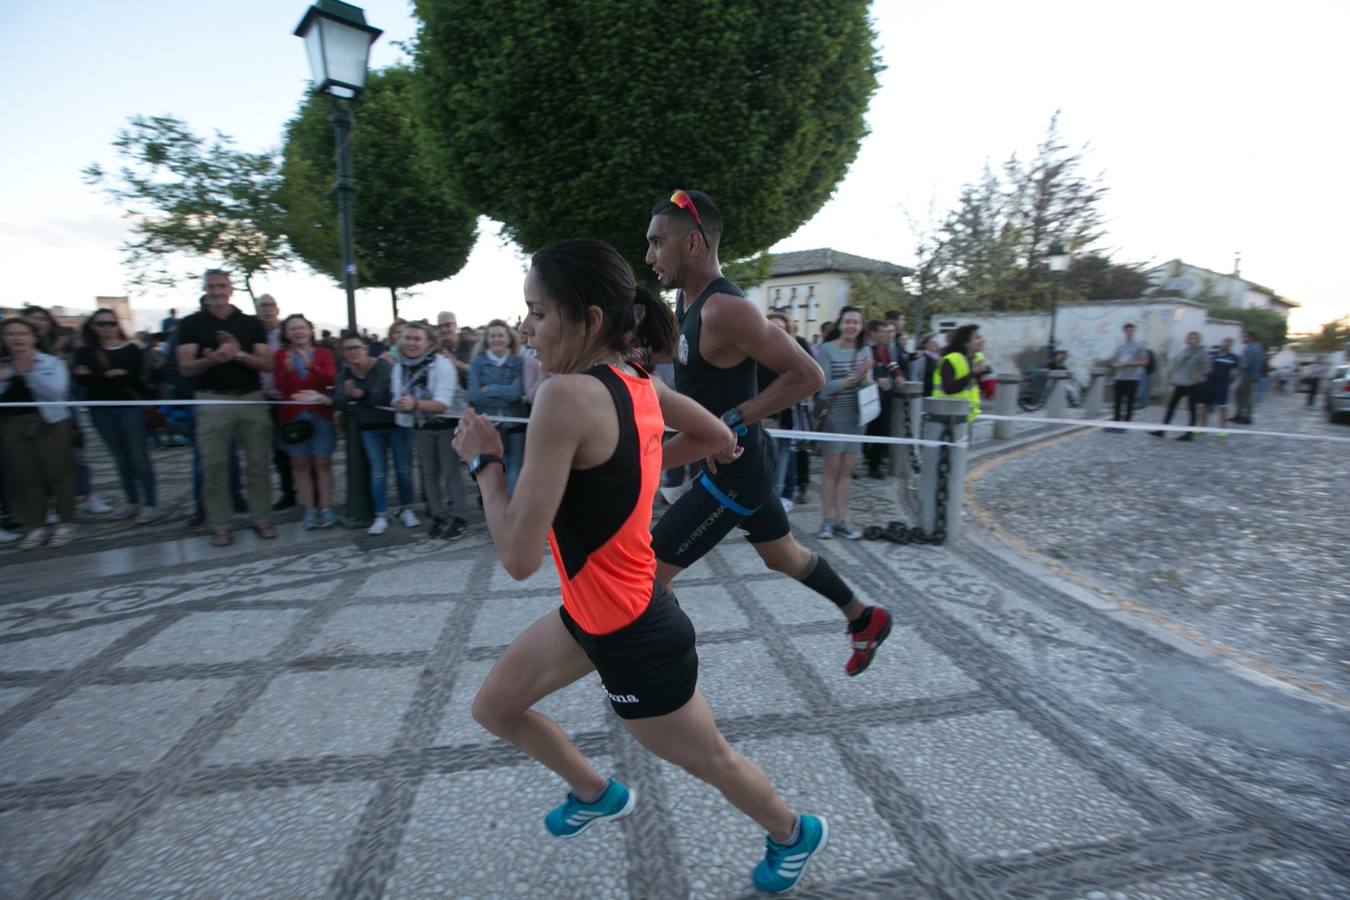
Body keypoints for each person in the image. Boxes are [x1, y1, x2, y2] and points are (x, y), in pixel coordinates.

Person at [455, 238, 827, 893]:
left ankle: (794, 833)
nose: (525, 329)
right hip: (595, 613)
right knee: (497, 707)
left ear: (589, 319)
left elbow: (517, 556)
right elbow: (718, 435)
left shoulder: (564, 397)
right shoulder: (637, 383)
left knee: (712, 761)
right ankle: (594, 791)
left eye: (538, 313)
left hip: (634, 635)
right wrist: (638, 465)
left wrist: (485, 463)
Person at [644, 188, 892, 676]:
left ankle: (666, 687)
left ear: (693, 243)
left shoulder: (726, 309)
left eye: (657, 243)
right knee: (783, 556)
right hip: (733, 460)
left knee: (647, 577)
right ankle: (864, 617)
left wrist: (732, 420)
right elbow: (695, 365)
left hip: (734, 472)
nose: (649, 255)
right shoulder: (685, 300)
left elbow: (809, 376)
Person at [175, 269, 277, 546]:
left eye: (222, 286)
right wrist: (214, 360)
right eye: (212, 286)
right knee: (214, 464)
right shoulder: (191, 323)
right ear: (205, 288)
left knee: (258, 462)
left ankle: (262, 517)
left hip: (251, 397)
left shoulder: (250, 323)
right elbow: (185, 367)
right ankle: (220, 524)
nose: (217, 291)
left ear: (231, 289)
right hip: (211, 398)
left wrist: (239, 354)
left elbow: (267, 363)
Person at [72, 310, 158, 523]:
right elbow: (81, 381)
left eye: (110, 323)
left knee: (139, 458)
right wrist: (108, 375)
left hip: (129, 407)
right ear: (93, 326)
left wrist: (95, 376)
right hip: (100, 410)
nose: (106, 327)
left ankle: (150, 503)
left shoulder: (132, 350)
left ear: (117, 325)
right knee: (120, 459)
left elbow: (135, 377)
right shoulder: (85, 352)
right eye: (101, 324)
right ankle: (131, 501)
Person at [1, 317, 77, 550]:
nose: (17, 338)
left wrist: (29, 373)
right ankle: (37, 526)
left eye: (22, 333)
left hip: (49, 423)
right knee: (26, 477)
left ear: (34, 337)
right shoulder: (3, 365)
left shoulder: (51, 363)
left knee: (59, 474)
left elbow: (56, 393)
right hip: (12, 425)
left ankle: (65, 523)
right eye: (11, 334)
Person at [333, 332, 416, 535]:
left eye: (356, 348)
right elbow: (338, 400)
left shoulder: (382, 365)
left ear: (365, 349)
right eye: (347, 349)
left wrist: (358, 394)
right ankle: (380, 514)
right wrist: (355, 396)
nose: (352, 352)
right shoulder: (345, 371)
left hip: (395, 425)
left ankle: (407, 509)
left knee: (403, 469)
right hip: (369, 428)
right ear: (343, 353)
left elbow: (382, 394)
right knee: (378, 471)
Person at [392, 321, 467, 540]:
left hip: (446, 424)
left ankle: (459, 518)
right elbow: (397, 396)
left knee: (451, 472)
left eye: (417, 339)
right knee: (429, 474)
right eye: (407, 338)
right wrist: (400, 404)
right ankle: (438, 516)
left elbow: (442, 403)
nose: (411, 343)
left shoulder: (441, 364)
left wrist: (413, 404)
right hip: (421, 425)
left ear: (427, 342)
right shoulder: (400, 367)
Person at [273, 314, 338, 529]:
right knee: (300, 465)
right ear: (286, 334)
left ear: (310, 330)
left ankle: (326, 508)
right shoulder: (281, 355)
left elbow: (330, 379)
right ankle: (309, 510)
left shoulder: (324, 353)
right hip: (293, 417)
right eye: (293, 329)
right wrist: (289, 371)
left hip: (320, 414)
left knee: (323, 463)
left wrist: (311, 367)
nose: (298, 332)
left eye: (302, 327)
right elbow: (282, 388)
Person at [812, 307, 872, 538]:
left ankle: (842, 520)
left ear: (861, 326)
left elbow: (868, 386)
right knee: (831, 471)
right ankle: (826, 520)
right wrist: (855, 377)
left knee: (847, 472)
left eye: (856, 322)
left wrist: (866, 379)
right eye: (848, 321)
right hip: (833, 418)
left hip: (857, 419)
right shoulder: (826, 350)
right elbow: (823, 387)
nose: (851, 326)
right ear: (840, 324)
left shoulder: (864, 350)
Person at [468, 319, 528, 492]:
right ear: (486, 339)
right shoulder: (477, 363)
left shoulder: (518, 362)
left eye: (501, 335)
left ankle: (511, 510)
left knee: (514, 468)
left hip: (515, 422)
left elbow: (517, 392)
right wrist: (505, 393)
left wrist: (490, 389)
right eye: (492, 336)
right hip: (488, 424)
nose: (497, 339)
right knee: (492, 468)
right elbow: (474, 395)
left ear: (509, 338)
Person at [1150, 331, 1211, 442]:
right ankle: (1162, 429)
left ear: (1198, 340)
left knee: (1191, 408)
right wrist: (1174, 378)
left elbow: (1208, 367)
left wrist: (1200, 376)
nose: (1192, 340)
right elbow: (1178, 365)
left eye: (1194, 338)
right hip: (1181, 383)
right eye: (1190, 338)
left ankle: (1189, 433)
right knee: (1171, 406)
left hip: (1194, 384)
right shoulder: (1184, 351)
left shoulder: (1202, 353)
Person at [864, 319, 900, 480]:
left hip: (885, 395)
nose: (886, 334)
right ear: (873, 333)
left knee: (881, 429)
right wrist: (878, 380)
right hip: (871, 394)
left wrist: (899, 377)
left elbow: (892, 366)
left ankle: (875, 461)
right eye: (882, 331)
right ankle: (872, 461)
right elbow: (866, 370)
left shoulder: (885, 350)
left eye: (887, 331)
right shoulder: (868, 350)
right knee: (872, 429)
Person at [931, 324, 988, 423]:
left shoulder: (977, 358)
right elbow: (949, 388)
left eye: (981, 337)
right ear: (966, 343)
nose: (982, 340)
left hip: (965, 416)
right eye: (977, 338)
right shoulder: (951, 359)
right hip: (947, 415)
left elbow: (973, 386)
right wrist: (973, 373)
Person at [1108, 323, 1147, 430]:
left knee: (1130, 402)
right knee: (1117, 402)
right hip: (1120, 377)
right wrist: (1116, 365)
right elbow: (1113, 362)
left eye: (1131, 331)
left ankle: (1126, 424)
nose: (1129, 333)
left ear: (1133, 332)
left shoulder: (1138, 346)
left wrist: (1130, 363)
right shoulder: (1120, 347)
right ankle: (1115, 423)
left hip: (1132, 378)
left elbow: (1144, 361)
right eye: (1127, 331)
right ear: (1124, 332)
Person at [1199, 337, 1239, 435]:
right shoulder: (1212, 351)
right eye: (1225, 342)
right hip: (1208, 382)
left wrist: (1235, 383)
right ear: (1221, 342)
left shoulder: (1233, 357)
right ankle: (1202, 427)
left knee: (1223, 406)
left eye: (1229, 343)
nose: (1227, 344)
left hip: (1222, 385)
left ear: (1231, 346)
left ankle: (1222, 429)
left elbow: (1237, 371)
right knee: (1204, 405)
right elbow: (1202, 359)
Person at [436, 311, 474, 388]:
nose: (443, 329)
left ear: (456, 326)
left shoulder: (470, 345)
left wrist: (456, 363)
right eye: (440, 326)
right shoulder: (438, 347)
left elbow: (478, 370)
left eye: (447, 325)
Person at [1233, 330, 1264, 424]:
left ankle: (1246, 416)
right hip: (1250, 374)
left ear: (1250, 338)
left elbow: (1246, 364)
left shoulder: (1252, 348)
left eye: (1244, 336)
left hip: (1248, 374)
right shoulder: (1254, 347)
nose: (1243, 338)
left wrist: (1239, 376)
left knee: (1245, 395)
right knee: (1239, 393)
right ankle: (1240, 414)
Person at [918, 333, 940, 398]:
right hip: (925, 391)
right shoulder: (922, 357)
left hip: (935, 391)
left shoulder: (937, 357)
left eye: (935, 342)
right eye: (932, 342)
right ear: (925, 345)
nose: (934, 344)